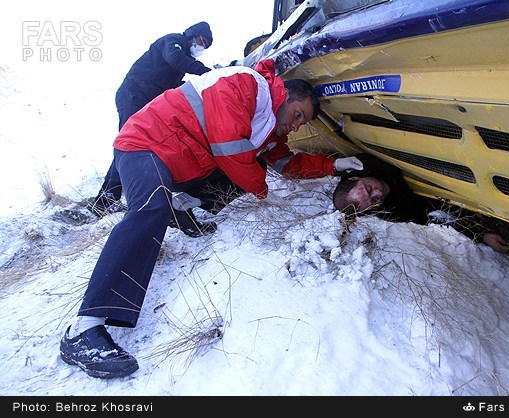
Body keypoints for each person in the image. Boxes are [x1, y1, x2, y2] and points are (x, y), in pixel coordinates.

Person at [60, 58, 364, 379]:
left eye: (303, 124)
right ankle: (84, 328)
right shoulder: (245, 84)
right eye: (297, 115)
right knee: (151, 207)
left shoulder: (268, 129)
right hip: (145, 144)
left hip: (178, 166)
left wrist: (334, 167)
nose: (296, 125)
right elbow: (228, 145)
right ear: (283, 96)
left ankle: (185, 206)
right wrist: (261, 190)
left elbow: (287, 163)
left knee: (253, 166)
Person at [87, 21, 214, 219]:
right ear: (192, 35)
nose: (201, 47)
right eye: (201, 41)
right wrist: (208, 73)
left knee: (138, 146)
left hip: (146, 103)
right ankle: (105, 200)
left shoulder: (183, 59)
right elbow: (175, 59)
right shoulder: (173, 42)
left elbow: (172, 83)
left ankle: (115, 197)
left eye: (205, 46)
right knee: (128, 145)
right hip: (133, 95)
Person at [333, 153, 509, 253]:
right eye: (374, 200)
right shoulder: (396, 210)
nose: (378, 193)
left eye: (369, 188)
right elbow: (438, 214)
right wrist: (482, 233)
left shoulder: (365, 160)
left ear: (355, 177)